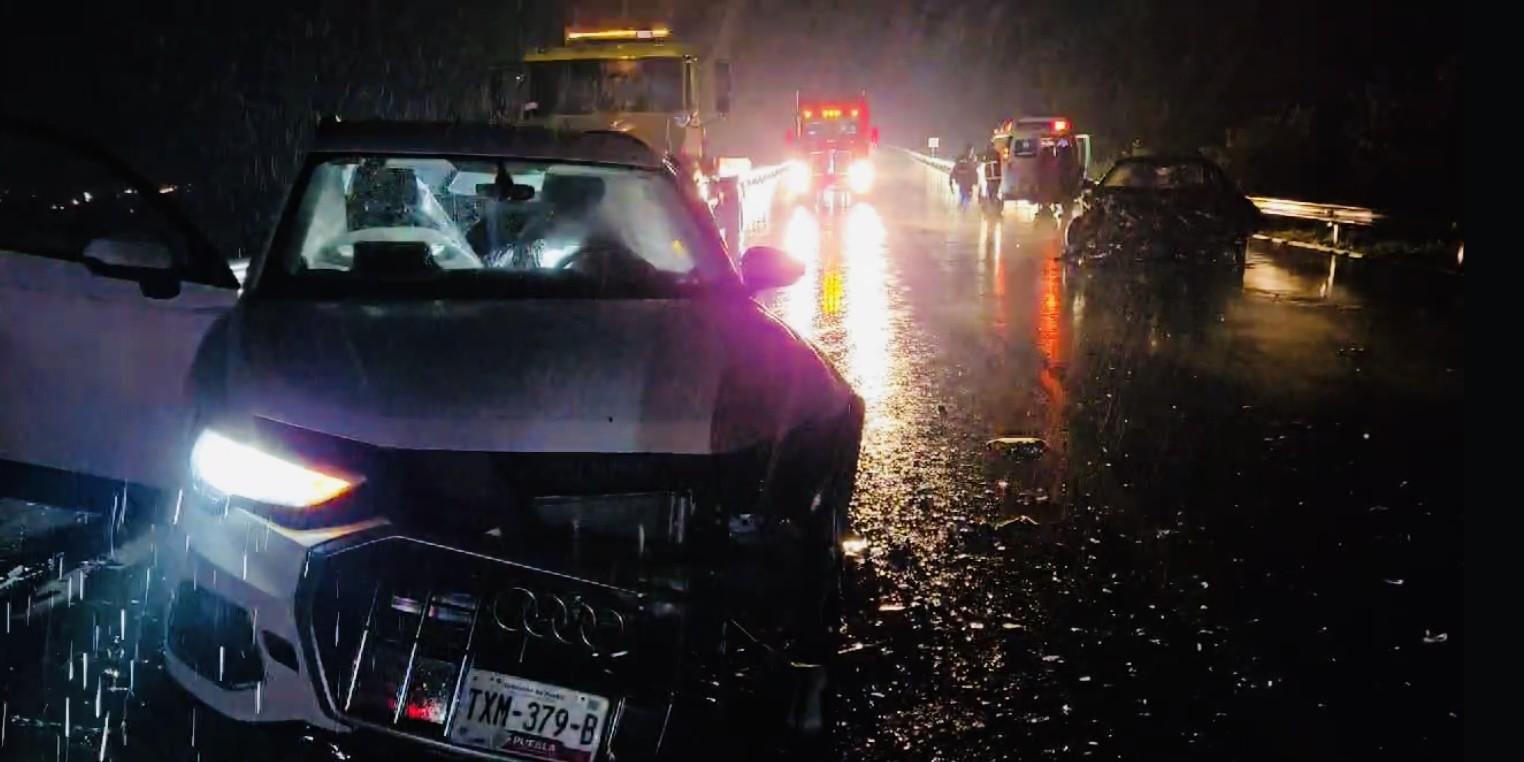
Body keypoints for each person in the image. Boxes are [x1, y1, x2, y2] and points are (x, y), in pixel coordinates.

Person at [949, 146, 978, 211]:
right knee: (967, 197)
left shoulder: (961, 159)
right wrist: (975, 181)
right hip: (967, 183)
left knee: (963, 196)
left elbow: (954, 170)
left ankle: (960, 209)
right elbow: (974, 172)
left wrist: (951, 181)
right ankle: (964, 211)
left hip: (961, 182)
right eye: (971, 151)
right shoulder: (971, 160)